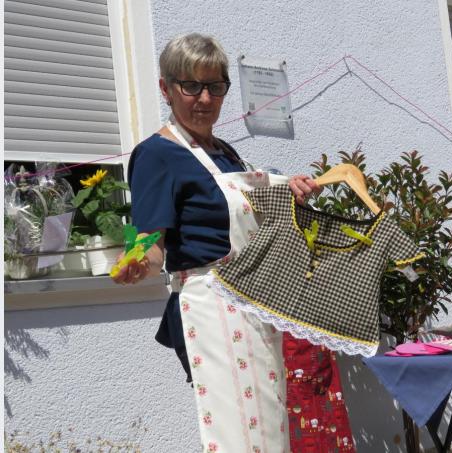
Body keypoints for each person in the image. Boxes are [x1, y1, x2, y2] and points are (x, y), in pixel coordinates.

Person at [111, 33, 318, 452]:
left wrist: (287, 192)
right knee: (238, 436)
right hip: (212, 308)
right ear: (165, 88)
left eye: (215, 86)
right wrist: (137, 261)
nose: (204, 99)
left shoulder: (225, 154)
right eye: (191, 86)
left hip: (255, 305)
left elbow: (246, 220)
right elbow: (150, 242)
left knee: (269, 430)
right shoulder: (156, 154)